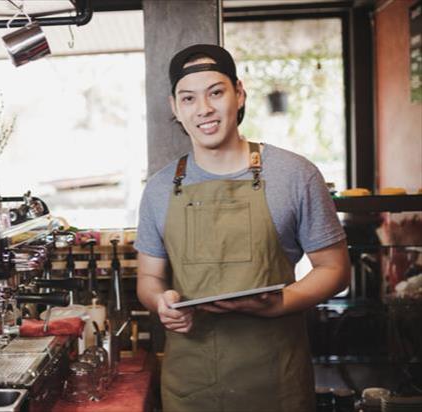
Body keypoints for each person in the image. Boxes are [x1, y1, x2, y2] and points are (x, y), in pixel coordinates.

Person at [135, 44, 350, 412]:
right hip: (191, 388)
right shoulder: (158, 188)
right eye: (188, 98)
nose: (203, 109)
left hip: (276, 383)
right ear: (175, 107)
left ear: (239, 93)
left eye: (215, 92)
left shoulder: (295, 174)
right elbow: (148, 278)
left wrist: (280, 303)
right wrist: (161, 303)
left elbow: (335, 269)